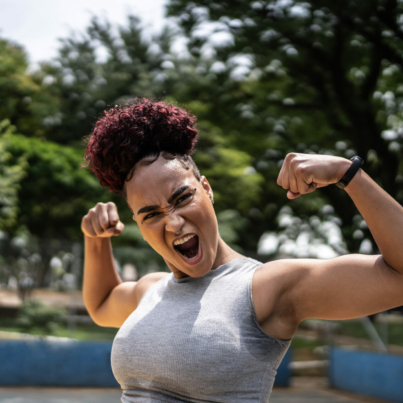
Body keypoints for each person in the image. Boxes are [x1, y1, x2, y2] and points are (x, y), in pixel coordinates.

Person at [81, 98, 403, 403]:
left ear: (206, 188)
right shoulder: (150, 291)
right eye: (151, 215)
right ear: (137, 222)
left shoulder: (264, 287)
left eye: (182, 198)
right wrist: (95, 239)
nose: (174, 223)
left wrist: (348, 174)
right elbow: (101, 302)